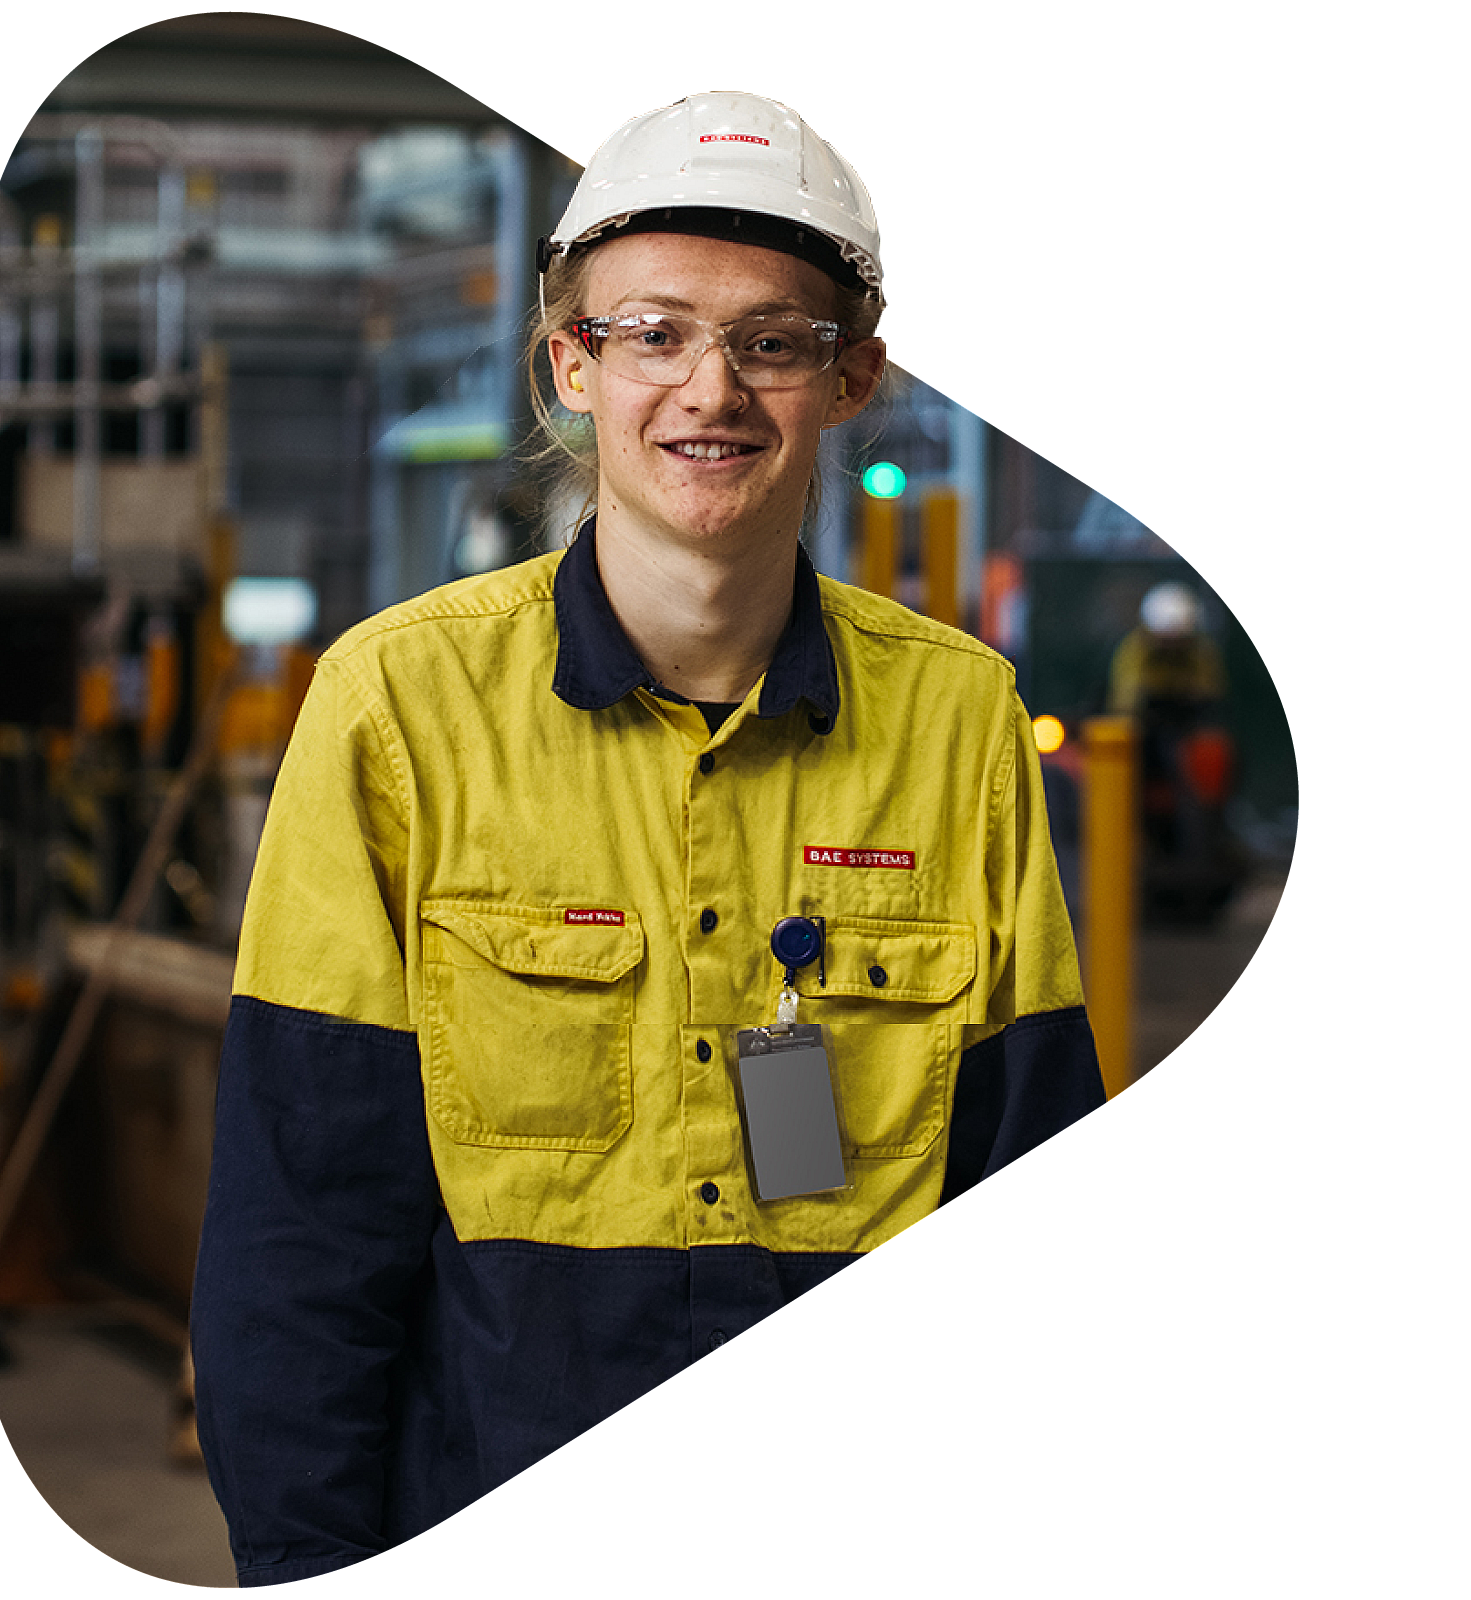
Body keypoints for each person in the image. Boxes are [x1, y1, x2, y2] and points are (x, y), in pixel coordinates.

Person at [190, 90, 1104, 1587]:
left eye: (774, 340)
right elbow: (301, 1233)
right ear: (572, 366)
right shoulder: (397, 710)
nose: (712, 391)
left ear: (855, 374)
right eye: (655, 332)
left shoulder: (963, 727)